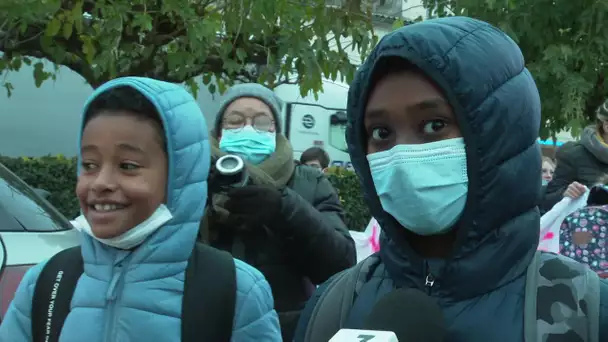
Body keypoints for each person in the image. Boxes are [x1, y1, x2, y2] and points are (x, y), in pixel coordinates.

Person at [294, 17, 608, 342]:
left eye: (434, 125)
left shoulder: (584, 310)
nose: (402, 155)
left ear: (499, 134)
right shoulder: (335, 305)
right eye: (381, 132)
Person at [0, 78, 281, 341]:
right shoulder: (47, 282)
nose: (101, 183)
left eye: (128, 166)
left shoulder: (235, 290)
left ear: (180, 177)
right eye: (89, 165)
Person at [201, 83, 356, 341]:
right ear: (218, 132)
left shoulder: (308, 182)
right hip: (205, 326)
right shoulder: (194, 178)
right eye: (235, 121)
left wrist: (284, 209)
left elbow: (340, 266)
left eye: (261, 122)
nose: (248, 129)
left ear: (276, 131)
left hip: (284, 331)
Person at [541, 99, 608, 212]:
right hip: (585, 227)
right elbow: (545, 202)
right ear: (606, 126)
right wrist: (564, 194)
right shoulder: (574, 154)